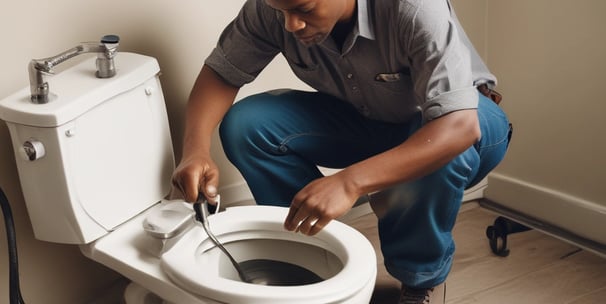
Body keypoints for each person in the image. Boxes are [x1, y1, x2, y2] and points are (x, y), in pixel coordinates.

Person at [171, 0, 512, 303]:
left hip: (464, 126)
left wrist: (350, 183)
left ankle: (418, 281)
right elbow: (221, 73)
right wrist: (194, 151)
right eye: (282, 11)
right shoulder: (272, 7)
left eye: (303, 9)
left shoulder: (414, 7)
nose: (290, 25)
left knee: (440, 149)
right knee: (247, 124)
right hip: (365, 119)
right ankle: (310, 249)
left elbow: (459, 127)